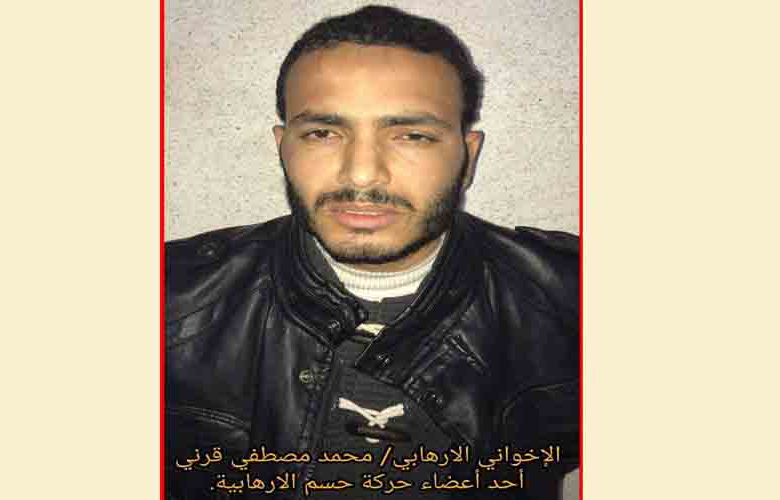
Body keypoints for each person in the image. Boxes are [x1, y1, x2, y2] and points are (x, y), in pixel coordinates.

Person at [165, 5, 579, 499]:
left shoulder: (570, 302)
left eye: (412, 136)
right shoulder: (172, 300)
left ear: (467, 158)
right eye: (322, 133)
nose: (361, 174)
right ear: (283, 147)